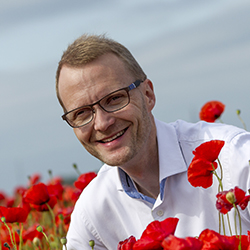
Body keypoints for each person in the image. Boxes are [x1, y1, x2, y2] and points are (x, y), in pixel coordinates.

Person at [55, 34, 250, 250]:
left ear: (148, 94)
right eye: (81, 113)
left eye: (114, 99)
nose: (102, 123)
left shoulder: (234, 158)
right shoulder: (92, 213)